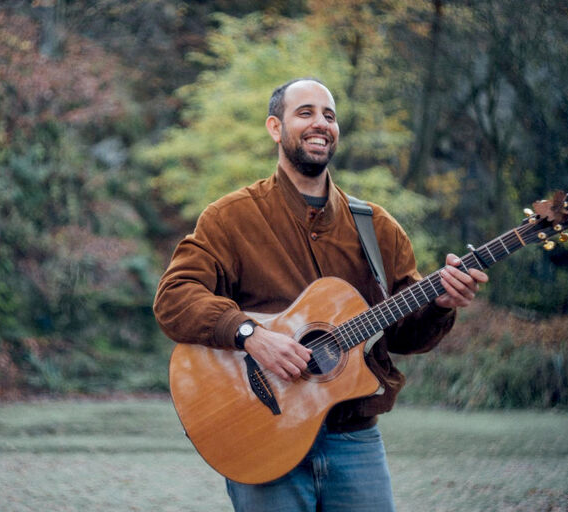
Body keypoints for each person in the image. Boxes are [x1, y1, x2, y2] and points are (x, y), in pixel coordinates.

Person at [153, 77, 488, 512]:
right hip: (261, 435)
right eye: (305, 112)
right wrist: (250, 333)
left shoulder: (377, 228)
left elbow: (406, 338)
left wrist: (441, 305)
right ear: (275, 128)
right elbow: (174, 297)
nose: (320, 123)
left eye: (329, 115)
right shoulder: (229, 218)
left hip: (354, 437)